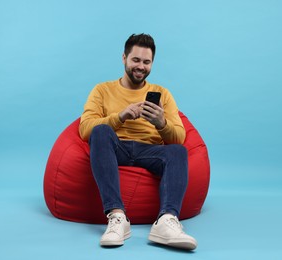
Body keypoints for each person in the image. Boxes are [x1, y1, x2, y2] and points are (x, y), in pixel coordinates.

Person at [79, 33, 197, 250]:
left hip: (150, 151)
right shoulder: (102, 90)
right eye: (135, 60)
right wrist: (120, 117)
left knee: (178, 152)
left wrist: (161, 123)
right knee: (101, 131)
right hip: (117, 147)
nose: (140, 66)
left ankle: (166, 221)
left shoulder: (162, 93)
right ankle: (117, 217)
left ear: (152, 63)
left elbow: (179, 137)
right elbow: (85, 129)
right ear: (124, 58)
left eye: (146, 62)